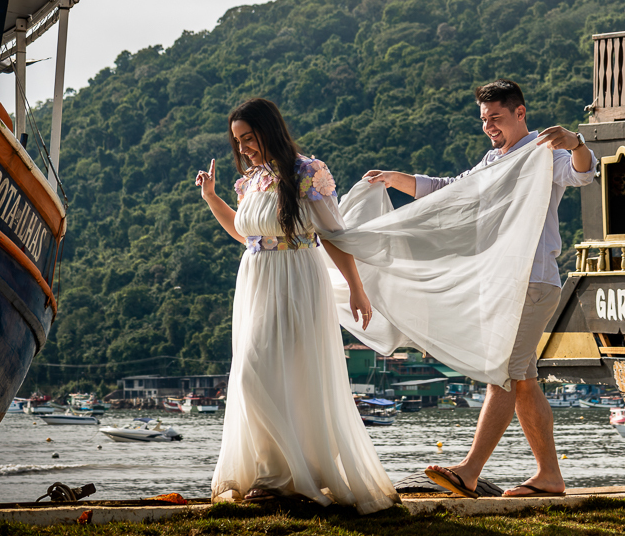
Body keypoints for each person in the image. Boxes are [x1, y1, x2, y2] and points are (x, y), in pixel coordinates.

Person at [363, 79, 595, 499]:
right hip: (503, 283)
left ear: (520, 113)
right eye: (484, 119)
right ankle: (549, 477)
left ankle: (469, 471)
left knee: (501, 376)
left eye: (497, 117)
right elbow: (454, 189)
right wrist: (399, 179)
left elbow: (583, 172)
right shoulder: (493, 159)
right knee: (522, 380)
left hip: (534, 281)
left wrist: (576, 141)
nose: (489, 126)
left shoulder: (545, 151)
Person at [194, 98, 398, 512]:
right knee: (259, 373)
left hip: (296, 278)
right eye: (238, 141)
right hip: (255, 280)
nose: (244, 147)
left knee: (265, 374)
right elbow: (244, 232)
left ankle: (280, 477)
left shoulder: (308, 171)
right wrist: (211, 197)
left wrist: (357, 288)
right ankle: (277, 474)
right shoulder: (251, 179)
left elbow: (333, 235)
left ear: (270, 130)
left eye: (249, 138)